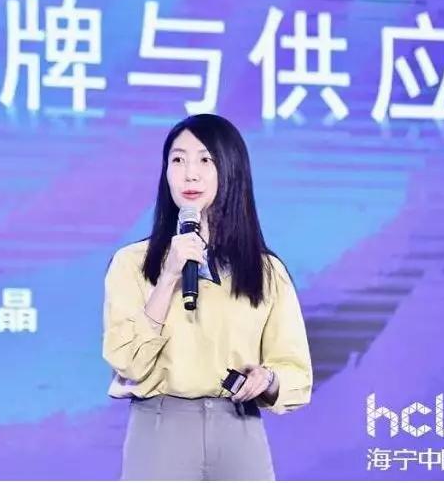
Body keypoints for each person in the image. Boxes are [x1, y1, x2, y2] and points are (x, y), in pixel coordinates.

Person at [102, 113, 312, 481]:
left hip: (239, 428)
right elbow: (127, 363)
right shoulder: (131, 263)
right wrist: (168, 277)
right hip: (161, 427)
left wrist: (267, 379)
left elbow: (296, 373)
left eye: (205, 160)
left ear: (230, 170)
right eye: (178, 160)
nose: (190, 174)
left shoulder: (265, 270)